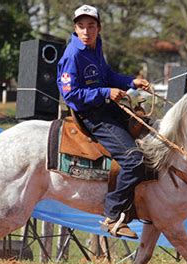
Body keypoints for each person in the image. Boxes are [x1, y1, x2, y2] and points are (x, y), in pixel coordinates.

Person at [57, 4, 150, 239]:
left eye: (91, 26)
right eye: (81, 26)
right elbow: (70, 95)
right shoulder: (73, 54)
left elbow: (107, 76)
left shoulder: (95, 46)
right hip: (91, 115)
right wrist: (105, 93)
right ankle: (113, 213)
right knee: (134, 160)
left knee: (148, 128)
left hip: (105, 107)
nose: (86, 31)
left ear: (99, 28)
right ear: (75, 29)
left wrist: (131, 81)